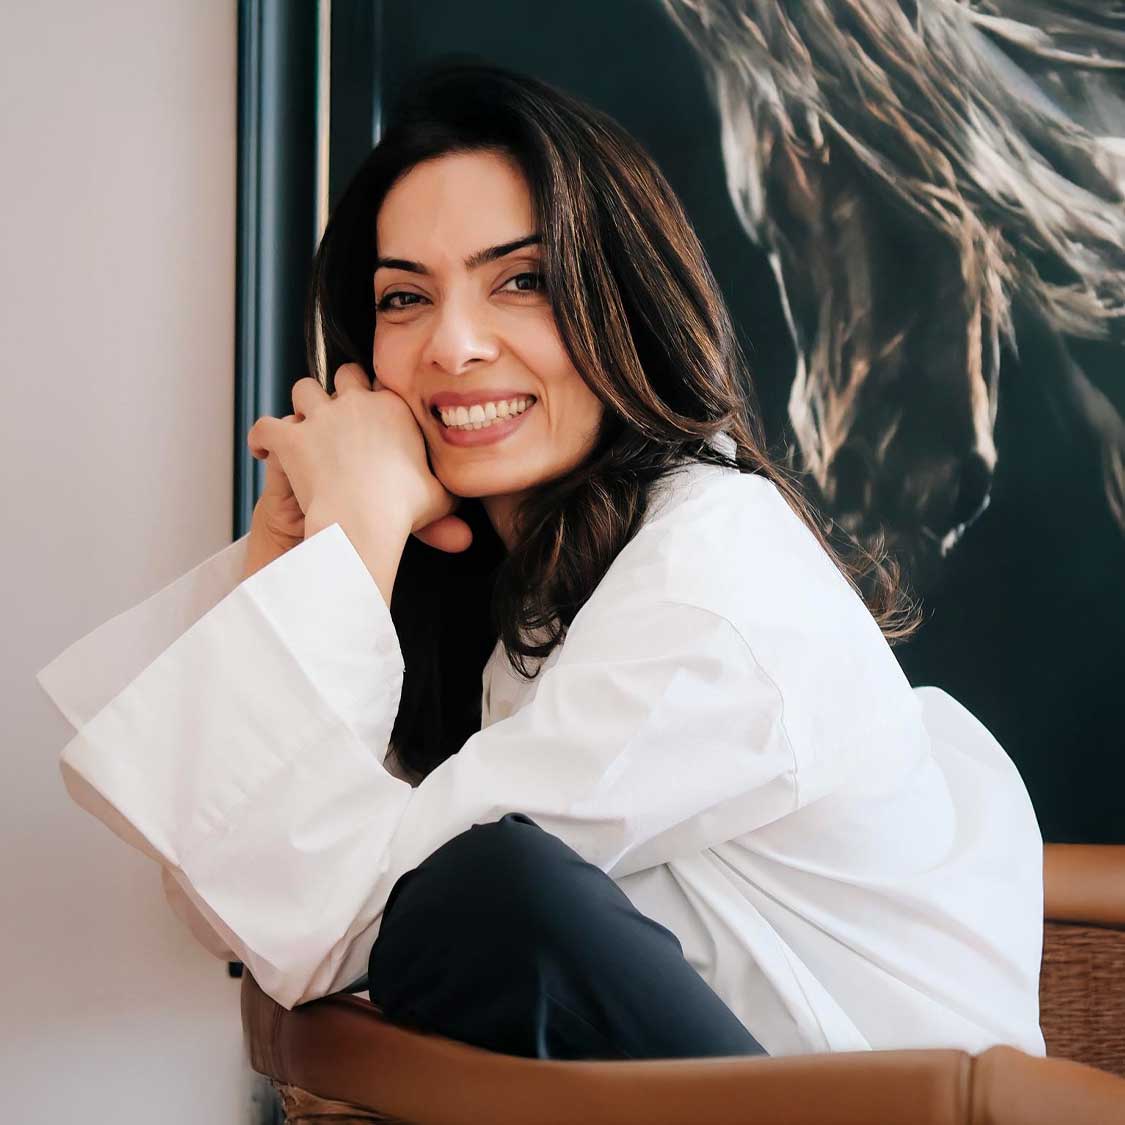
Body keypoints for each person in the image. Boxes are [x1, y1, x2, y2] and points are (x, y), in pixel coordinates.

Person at [36, 61, 1046, 1062]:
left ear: (626, 303)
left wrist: (354, 525)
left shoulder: (712, 580)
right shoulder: (521, 585)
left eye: (522, 280)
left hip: (875, 1111)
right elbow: (234, 900)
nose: (454, 345)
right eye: (403, 299)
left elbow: (341, 929)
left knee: (488, 891)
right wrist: (296, 549)